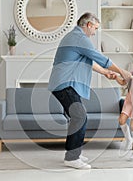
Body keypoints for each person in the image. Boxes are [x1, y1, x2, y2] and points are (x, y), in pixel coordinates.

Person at [48, 12, 126, 169]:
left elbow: (88, 62)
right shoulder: (80, 38)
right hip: (64, 84)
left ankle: (73, 152)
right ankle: (71, 158)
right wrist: (124, 73)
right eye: (95, 28)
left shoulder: (76, 38)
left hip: (66, 84)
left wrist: (106, 73)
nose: (95, 32)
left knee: (78, 116)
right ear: (89, 25)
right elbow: (101, 58)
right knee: (80, 116)